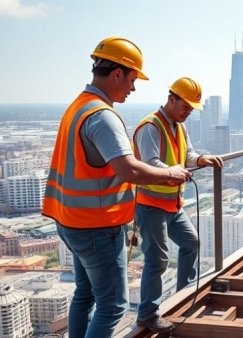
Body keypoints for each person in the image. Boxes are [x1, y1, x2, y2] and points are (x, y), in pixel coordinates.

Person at [42, 37, 192, 338]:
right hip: (96, 225)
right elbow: (129, 169)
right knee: (112, 305)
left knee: (85, 294)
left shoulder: (77, 107)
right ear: (117, 73)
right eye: (133, 79)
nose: (133, 88)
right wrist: (169, 174)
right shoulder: (102, 116)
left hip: (69, 221)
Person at [133, 77, 223, 333]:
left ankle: (182, 292)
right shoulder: (151, 127)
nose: (188, 112)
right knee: (157, 259)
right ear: (171, 100)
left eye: (192, 109)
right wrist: (174, 172)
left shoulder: (180, 127)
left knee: (191, 242)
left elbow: (187, 156)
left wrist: (202, 159)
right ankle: (147, 314)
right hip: (150, 205)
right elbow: (149, 164)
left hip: (172, 203)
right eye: (185, 107)